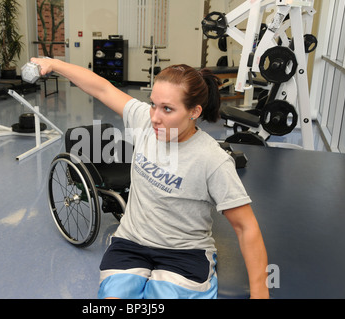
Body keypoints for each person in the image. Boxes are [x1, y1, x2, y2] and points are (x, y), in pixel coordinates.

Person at [31, 57, 269, 299]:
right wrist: (53, 64)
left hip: (183, 253)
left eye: (167, 108)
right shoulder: (146, 122)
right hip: (132, 242)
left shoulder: (212, 160)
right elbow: (102, 88)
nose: (155, 117)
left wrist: (260, 293)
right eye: (153, 104)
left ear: (194, 111)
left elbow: (245, 227)